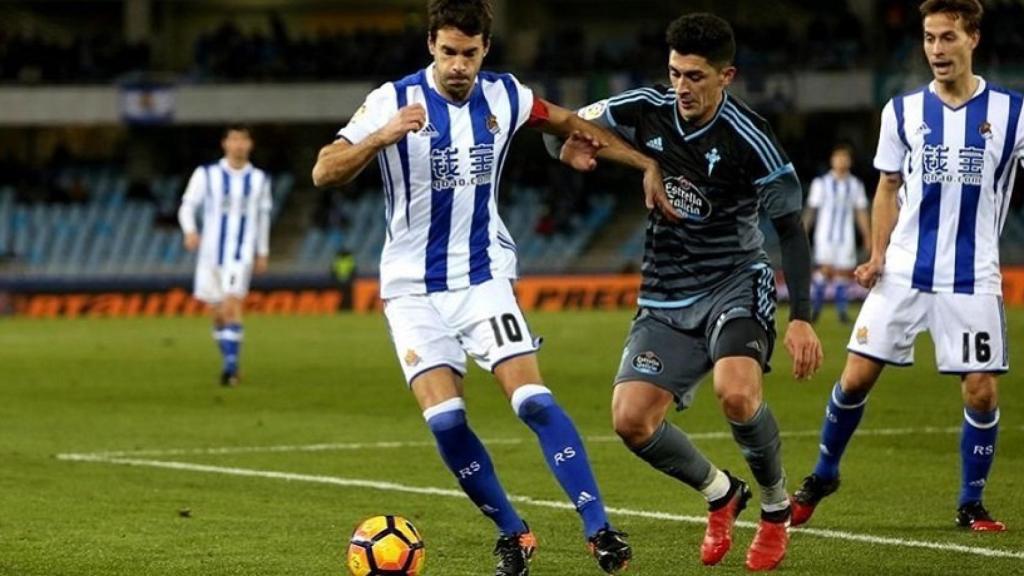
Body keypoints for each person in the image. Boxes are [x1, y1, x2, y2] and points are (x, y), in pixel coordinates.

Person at [311, 1, 676, 574]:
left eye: (470, 54)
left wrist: (643, 166)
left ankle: (599, 528)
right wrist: (381, 136)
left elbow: (570, 124)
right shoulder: (391, 100)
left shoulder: (507, 95)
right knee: (447, 420)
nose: (459, 65)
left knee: (532, 400)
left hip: (483, 277)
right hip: (411, 289)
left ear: (486, 50)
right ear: (431, 44)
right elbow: (324, 169)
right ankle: (513, 532)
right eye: (449, 52)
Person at [549, 13, 823, 572]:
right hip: (666, 292)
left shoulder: (754, 140)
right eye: (675, 73)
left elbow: (792, 232)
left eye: (695, 76)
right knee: (630, 420)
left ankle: (774, 509)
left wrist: (802, 317)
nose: (682, 87)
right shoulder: (646, 105)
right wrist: (572, 149)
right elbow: (572, 125)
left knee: (737, 394)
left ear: (727, 75)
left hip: (735, 283)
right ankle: (722, 493)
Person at [791, 0, 1017, 533]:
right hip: (904, 270)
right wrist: (876, 255)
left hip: (972, 275)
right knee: (854, 379)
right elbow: (888, 185)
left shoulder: (1013, 113)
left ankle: (971, 503)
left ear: (973, 40)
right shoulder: (903, 111)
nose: (936, 49)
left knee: (981, 388)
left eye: (947, 38)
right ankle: (823, 475)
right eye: (929, 38)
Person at [178, 125, 272, 387]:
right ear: (225, 144)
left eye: (243, 139)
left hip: (240, 254)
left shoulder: (259, 180)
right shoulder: (206, 174)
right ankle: (231, 361)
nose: (239, 144)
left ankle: (230, 370)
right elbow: (187, 206)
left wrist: (262, 252)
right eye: (234, 139)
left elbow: (263, 217)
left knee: (232, 305)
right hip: (209, 255)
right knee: (218, 314)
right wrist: (190, 231)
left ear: (250, 144)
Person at [803, 143, 871, 323]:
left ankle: (842, 314)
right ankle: (815, 311)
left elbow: (861, 211)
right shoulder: (821, 183)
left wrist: (867, 235)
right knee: (824, 271)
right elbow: (812, 210)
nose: (841, 161)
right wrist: (803, 230)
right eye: (838, 157)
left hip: (846, 237)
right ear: (832, 161)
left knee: (843, 274)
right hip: (825, 235)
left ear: (850, 161)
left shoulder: (855, 185)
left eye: (845, 158)